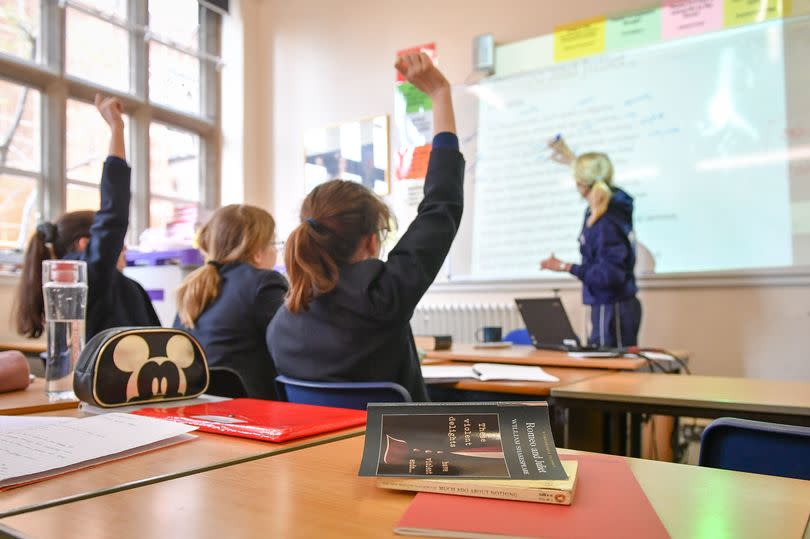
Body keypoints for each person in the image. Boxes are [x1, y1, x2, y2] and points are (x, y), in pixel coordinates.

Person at [267, 52, 463, 402]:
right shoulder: (384, 296)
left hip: (316, 458)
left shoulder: (281, 324)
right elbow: (441, 204)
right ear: (372, 242)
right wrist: (440, 94)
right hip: (401, 455)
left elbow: (440, 206)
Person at [14, 95, 160, 340]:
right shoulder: (81, 279)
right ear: (83, 244)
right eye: (116, 241)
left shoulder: (128, 287)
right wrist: (117, 129)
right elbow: (113, 215)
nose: (122, 247)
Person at [174, 205, 287, 399]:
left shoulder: (194, 287)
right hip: (252, 409)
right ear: (258, 252)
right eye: (274, 243)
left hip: (199, 404)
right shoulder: (264, 282)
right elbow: (288, 350)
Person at [540, 140, 641, 348]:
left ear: (582, 184)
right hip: (607, 305)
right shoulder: (606, 210)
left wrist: (566, 267)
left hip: (612, 308)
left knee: (610, 374)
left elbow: (609, 275)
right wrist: (570, 158)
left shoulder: (605, 221)